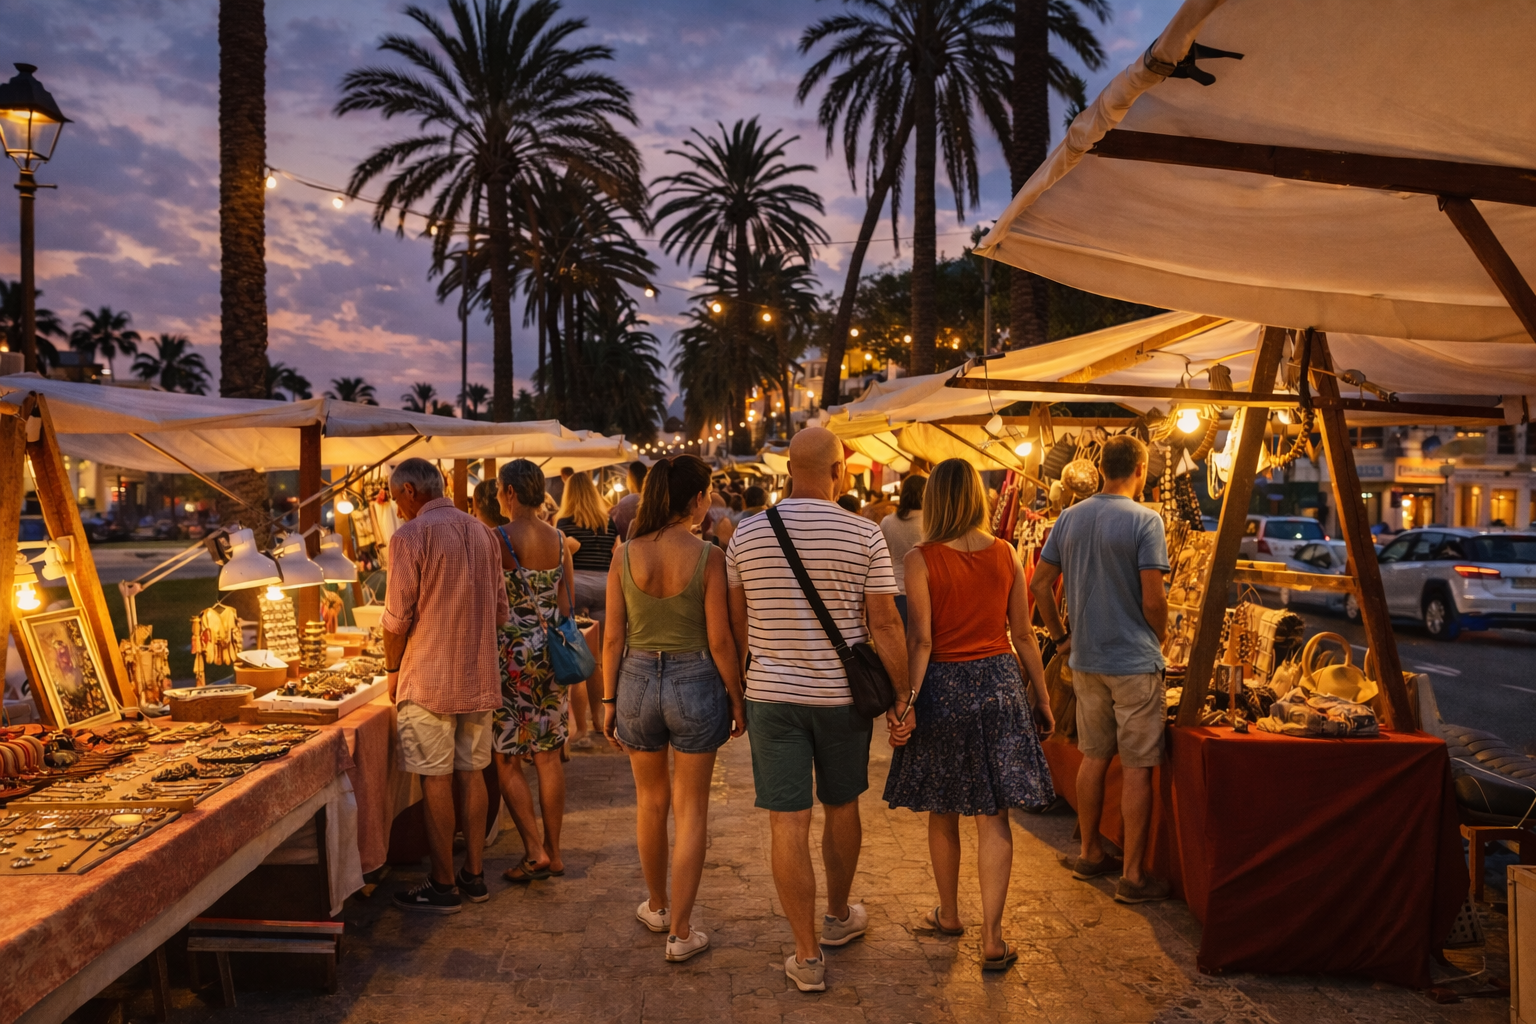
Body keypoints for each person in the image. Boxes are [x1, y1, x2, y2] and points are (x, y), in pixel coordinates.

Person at [726, 427, 911, 993]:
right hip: (840, 698)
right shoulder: (864, 534)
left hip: (772, 696)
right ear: (839, 471)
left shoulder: (747, 533)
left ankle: (806, 958)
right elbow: (883, 623)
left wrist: (741, 691)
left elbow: (739, 627)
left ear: (787, 471)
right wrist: (902, 699)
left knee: (788, 821)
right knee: (841, 804)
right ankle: (835, 918)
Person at [882, 459, 1055, 970]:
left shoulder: (920, 558)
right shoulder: (1005, 552)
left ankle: (952, 914)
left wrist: (906, 702)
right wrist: (1040, 698)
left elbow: (920, 639)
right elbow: (1023, 634)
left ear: (934, 499)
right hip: (1000, 682)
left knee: (944, 806)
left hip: (943, 687)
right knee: (993, 813)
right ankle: (994, 939)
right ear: (978, 498)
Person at [602, 454, 746, 963]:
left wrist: (607, 699)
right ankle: (681, 932)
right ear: (695, 499)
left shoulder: (626, 553)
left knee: (650, 802)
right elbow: (721, 640)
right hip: (695, 681)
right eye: (706, 493)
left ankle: (658, 905)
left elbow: (613, 637)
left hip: (636, 681)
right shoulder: (708, 556)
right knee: (691, 809)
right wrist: (737, 696)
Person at [1030, 434, 1170, 904]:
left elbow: (1040, 583)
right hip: (1133, 663)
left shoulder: (1070, 517)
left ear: (1102, 467)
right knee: (1136, 769)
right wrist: (1159, 634)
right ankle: (1132, 875)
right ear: (1141, 469)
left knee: (1093, 757)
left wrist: (1060, 637)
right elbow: (1154, 598)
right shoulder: (1146, 521)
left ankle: (1090, 852)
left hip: (1085, 660)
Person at [382, 458, 509, 913]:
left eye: (395, 496)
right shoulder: (483, 532)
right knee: (471, 771)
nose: (395, 506)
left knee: (435, 778)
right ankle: (474, 875)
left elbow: (396, 619)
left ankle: (442, 884)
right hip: (477, 674)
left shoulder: (410, 536)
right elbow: (500, 611)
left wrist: (392, 669)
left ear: (411, 490)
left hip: (428, 678)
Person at [491, 460, 577, 883]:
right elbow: (567, 606)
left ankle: (534, 851)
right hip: (552, 656)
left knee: (507, 757)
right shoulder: (560, 540)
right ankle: (556, 853)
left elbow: (489, 605)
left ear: (508, 492)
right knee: (548, 757)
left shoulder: (498, 539)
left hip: (509, 656)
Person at [556, 472, 617, 750]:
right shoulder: (609, 522)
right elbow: (615, 555)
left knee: (580, 659)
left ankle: (583, 722)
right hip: (605, 587)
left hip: (577, 586)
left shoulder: (564, 523)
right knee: (600, 660)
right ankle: (600, 715)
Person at [879, 475, 926, 626]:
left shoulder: (887, 522)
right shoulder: (930, 522)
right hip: (925, 592)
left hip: (896, 590)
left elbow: (882, 559)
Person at [610, 461, 648, 539]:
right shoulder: (650, 499)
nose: (625, 478)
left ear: (632, 477)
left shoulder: (627, 502)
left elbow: (615, 527)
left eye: (627, 475)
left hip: (628, 545)